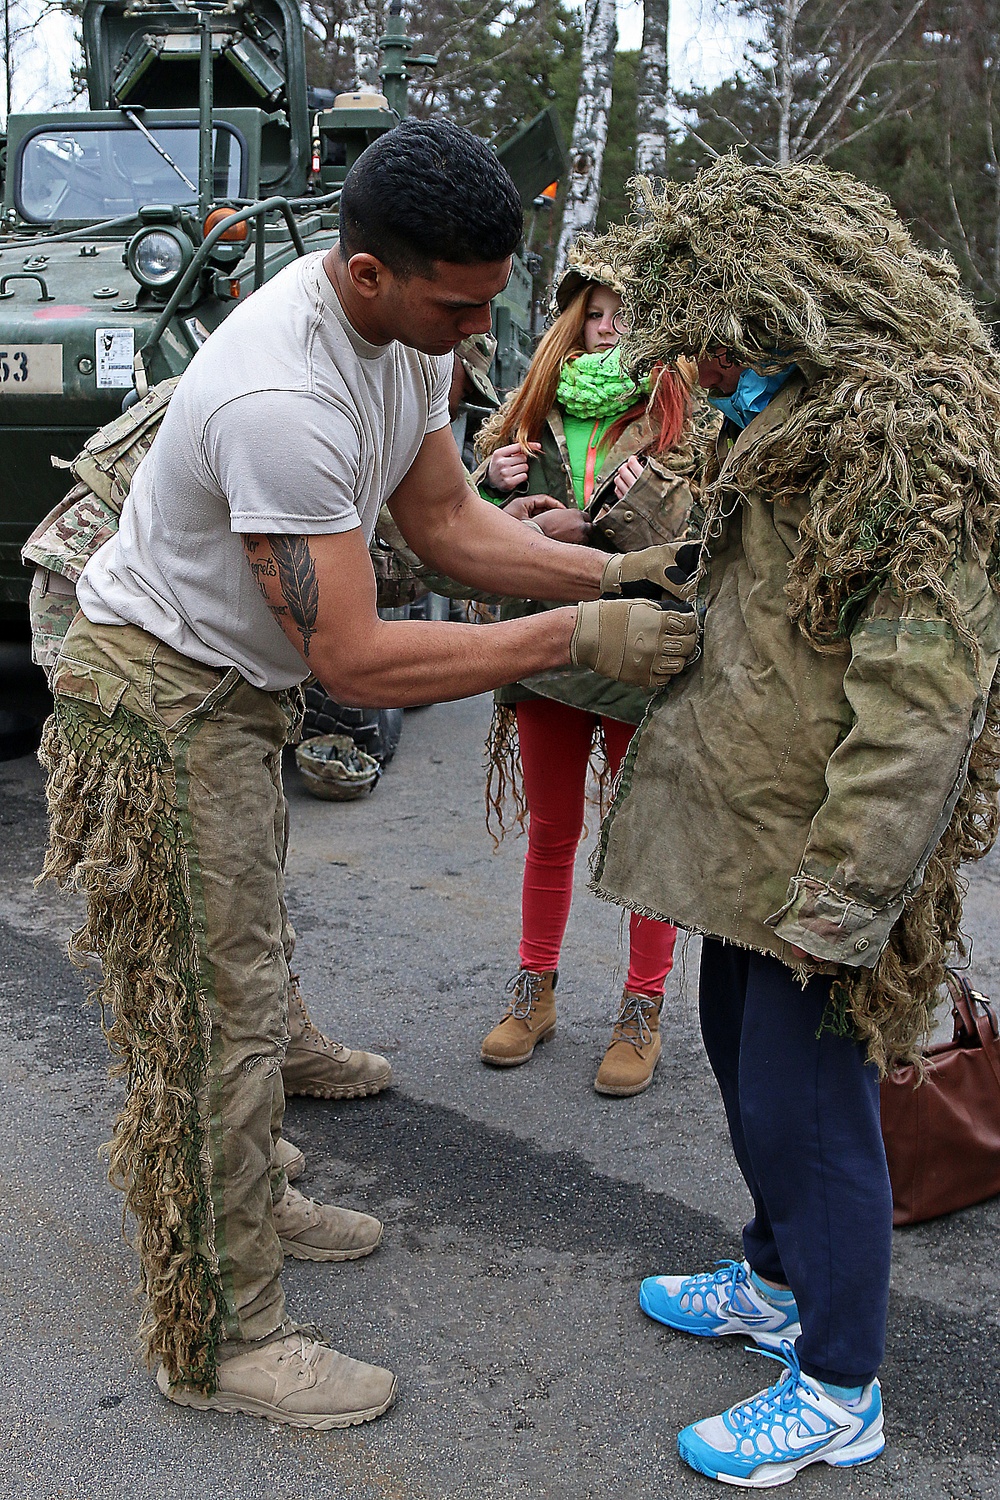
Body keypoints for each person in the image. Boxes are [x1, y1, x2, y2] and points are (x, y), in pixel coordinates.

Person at [37, 118, 696, 1432]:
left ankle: (248, 1204)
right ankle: (219, 1339)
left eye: (486, 306)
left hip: (230, 694)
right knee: (208, 1033)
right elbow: (356, 655)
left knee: (241, 977)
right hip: (158, 705)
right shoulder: (284, 398)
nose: (473, 333)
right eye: (452, 306)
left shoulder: (409, 344)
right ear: (363, 274)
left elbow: (448, 526)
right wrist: (577, 634)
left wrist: (618, 571)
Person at [590, 157, 1000, 1486]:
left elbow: (924, 688)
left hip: (820, 854)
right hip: (741, 836)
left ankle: (838, 1385)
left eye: (704, 336)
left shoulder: (912, 427)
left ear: (775, 299)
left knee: (808, 1110)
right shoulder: (787, 406)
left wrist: (845, 895)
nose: (694, 365)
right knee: (739, 1061)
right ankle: (775, 1277)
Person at [474, 241, 695, 1096]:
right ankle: (535, 991)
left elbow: (693, 543)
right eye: (591, 315)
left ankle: (643, 1010)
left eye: (621, 317)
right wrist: (492, 485)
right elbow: (462, 526)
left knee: (643, 838)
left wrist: (607, 513)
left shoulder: (681, 423)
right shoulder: (529, 414)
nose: (603, 331)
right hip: (545, 647)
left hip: (640, 646)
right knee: (553, 829)